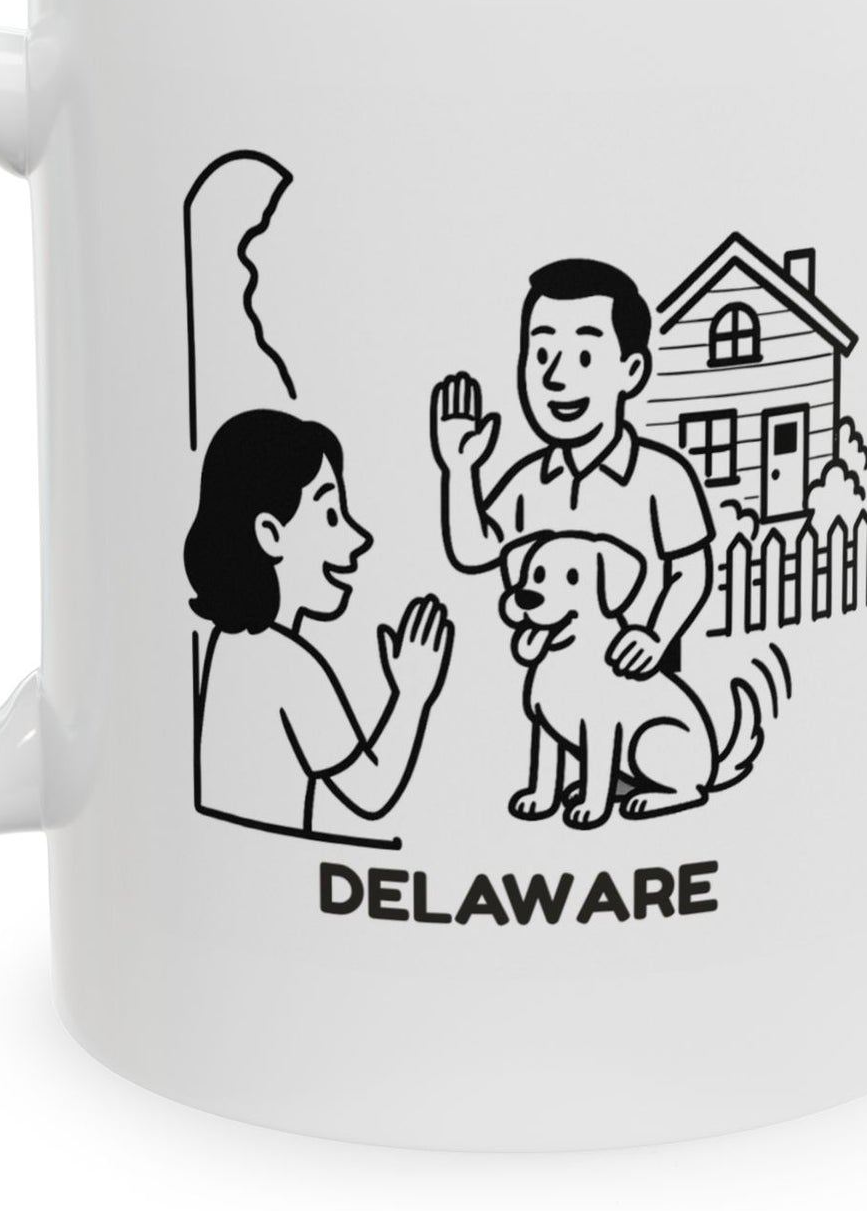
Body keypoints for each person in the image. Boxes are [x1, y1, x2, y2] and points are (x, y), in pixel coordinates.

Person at [430, 258, 713, 677]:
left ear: (632, 371)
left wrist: (656, 635)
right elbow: (475, 550)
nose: (556, 377)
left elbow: (692, 571)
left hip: (640, 684)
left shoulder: (662, 476)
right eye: (542, 354)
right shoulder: (529, 481)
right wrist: (459, 469)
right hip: (552, 679)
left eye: (584, 356)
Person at [187, 408, 453, 840]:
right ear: (271, 534)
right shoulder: (286, 663)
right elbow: (371, 792)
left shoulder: (231, 642)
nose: (358, 538)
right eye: (331, 515)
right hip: (274, 872)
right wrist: (412, 694)